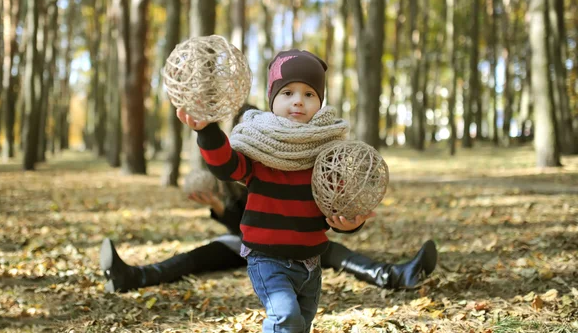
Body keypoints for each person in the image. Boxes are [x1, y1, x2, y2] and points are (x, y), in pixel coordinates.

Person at [101, 107, 437, 295]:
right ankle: (133, 277)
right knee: (199, 255)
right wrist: (219, 208)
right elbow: (250, 223)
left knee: (332, 251)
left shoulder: (295, 160)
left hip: (295, 239)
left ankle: (395, 275)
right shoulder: (238, 159)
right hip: (251, 245)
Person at [176, 49, 390, 333]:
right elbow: (226, 165)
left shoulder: (326, 156)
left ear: (320, 102)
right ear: (272, 100)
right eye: (287, 92)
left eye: (309, 94)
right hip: (267, 259)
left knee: (300, 327)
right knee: (286, 320)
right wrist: (208, 131)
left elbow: (339, 204)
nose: (298, 100)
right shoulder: (259, 150)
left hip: (311, 263)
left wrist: (352, 223)